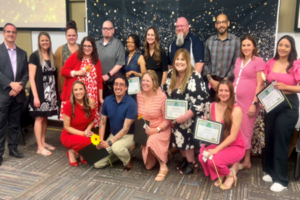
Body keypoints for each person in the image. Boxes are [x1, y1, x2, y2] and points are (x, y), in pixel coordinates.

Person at [162, 48, 210, 174]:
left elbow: (200, 103)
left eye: (182, 59)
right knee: (178, 138)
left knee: (185, 136)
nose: (179, 62)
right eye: (177, 59)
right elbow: (164, 91)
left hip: (191, 116)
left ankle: (192, 163)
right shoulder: (171, 73)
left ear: (188, 61)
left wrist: (184, 117)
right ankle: (185, 160)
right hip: (175, 115)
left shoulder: (195, 76)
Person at [262, 35, 300, 192]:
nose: (282, 48)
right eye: (280, 45)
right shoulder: (270, 62)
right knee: (270, 138)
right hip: (271, 104)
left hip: (288, 106)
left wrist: (286, 87)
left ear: (291, 48)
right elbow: (266, 82)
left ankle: (281, 179)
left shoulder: (296, 65)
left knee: (281, 141)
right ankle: (271, 172)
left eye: (286, 45)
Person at [198, 80, 245, 190]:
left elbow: (233, 136)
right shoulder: (212, 106)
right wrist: (206, 124)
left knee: (213, 160)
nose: (223, 93)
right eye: (221, 90)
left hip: (235, 146)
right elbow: (214, 130)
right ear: (217, 92)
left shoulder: (236, 110)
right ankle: (222, 174)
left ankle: (230, 175)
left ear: (231, 93)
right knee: (202, 156)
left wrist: (215, 150)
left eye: (226, 91)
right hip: (220, 143)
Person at [232, 35, 265, 170]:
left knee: (246, 130)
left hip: (249, 102)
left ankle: (246, 161)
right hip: (235, 101)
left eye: (248, 45)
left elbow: (260, 84)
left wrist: (254, 103)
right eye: (243, 45)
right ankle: (240, 158)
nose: (246, 48)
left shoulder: (259, 61)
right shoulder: (239, 60)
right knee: (237, 129)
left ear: (254, 47)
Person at [0, 23, 28, 166]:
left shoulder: (23, 53)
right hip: (3, 95)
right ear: (4, 33)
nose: (11, 34)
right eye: (8, 32)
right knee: (0, 125)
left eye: (13, 32)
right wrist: (11, 84)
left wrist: (19, 87)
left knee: (14, 125)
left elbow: (26, 74)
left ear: (16, 34)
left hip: (18, 95)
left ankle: (13, 149)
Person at [94, 75, 137, 170]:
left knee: (116, 147)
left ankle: (127, 160)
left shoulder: (131, 103)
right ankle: (118, 154)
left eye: (121, 85)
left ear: (126, 88)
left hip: (128, 136)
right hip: (113, 135)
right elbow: (103, 122)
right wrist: (101, 141)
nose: (118, 87)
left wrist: (110, 142)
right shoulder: (108, 100)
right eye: (116, 84)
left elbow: (126, 129)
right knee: (97, 164)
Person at [60, 37, 103, 127]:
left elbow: (99, 81)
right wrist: (76, 72)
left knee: (89, 119)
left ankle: (87, 138)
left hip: (91, 95)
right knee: (76, 119)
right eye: (85, 46)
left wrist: (100, 98)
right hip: (78, 94)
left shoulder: (96, 61)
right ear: (82, 46)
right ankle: (75, 138)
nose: (87, 48)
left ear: (93, 47)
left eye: (89, 46)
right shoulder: (75, 57)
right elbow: (63, 71)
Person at [137, 70, 171, 181]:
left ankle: (163, 166)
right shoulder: (139, 95)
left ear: (154, 82)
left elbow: (167, 121)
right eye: (143, 80)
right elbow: (140, 115)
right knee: (148, 166)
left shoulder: (162, 97)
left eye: (148, 81)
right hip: (146, 131)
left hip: (161, 130)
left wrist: (155, 130)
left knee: (151, 142)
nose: (145, 83)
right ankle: (162, 153)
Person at [28, 31, 58, 156]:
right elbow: (31, 77)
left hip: (50, 92)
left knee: (45, 117)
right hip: (40, 92)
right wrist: (35, 96)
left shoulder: (52, 56)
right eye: (42, 40)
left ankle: (43, 142)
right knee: (39, 118)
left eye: (47, 40)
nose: (45, 42)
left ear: (49, 42)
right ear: (39, 42)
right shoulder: (34, 56)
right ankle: (39, 147)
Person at [204, 13, 240, 101]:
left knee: (227, 112)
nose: (221, 25)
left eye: (223, 22)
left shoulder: (236, 41)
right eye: (219, 23)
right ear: (216, 25)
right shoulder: (209, 41)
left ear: (228, 23)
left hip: (228, 84)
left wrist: (224, 81)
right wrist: (211, 80)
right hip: (212, 84)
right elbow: (205, 62)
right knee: (213, 110)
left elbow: (236, 64)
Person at [61, 81, 96, 167]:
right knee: (89, 142)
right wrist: (83, 134)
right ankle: (71, 152)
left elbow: (92, 120)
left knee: (97, 141)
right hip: (69, 135)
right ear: (73, 92)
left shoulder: (91, 102)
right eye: (75, 90)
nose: (78, 92)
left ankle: (81, 152)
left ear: (85, 90)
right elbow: (67, 127)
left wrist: (88, 130)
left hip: (84, 132)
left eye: (81, 89)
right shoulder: (68, 105)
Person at [96, 20, 125, 98]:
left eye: (108, 29)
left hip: (112, 84)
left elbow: (120, 63)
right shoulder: (96, 44)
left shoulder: (118, 44)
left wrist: (107, 75)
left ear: (113, 30)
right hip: (98, 84)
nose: (106, 30)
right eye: (104, 28)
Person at [54, 20, 79, 99]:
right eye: (69, 35)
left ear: (77, 36)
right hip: (65, 87)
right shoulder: (59, 50)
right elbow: (56, 71)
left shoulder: (83, 49)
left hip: (80, 87)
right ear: (66, 36)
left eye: (73, 35)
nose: (71, 37)